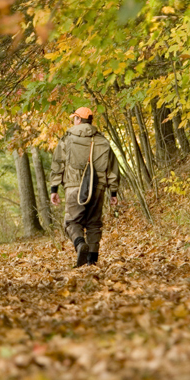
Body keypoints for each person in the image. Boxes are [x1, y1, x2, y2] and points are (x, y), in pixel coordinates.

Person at [50, 106, 120, 267]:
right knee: (94, 224)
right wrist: (113, 192)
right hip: (98, 188)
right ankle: (92, 261)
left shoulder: (67, 139)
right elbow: (112, 169)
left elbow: (57, 164)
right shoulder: (103, 141)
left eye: (74, 118)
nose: (73, 122)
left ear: (78, 119)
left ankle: (80, 244)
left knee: (71, 221)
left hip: (73, 187)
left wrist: (54, 189)